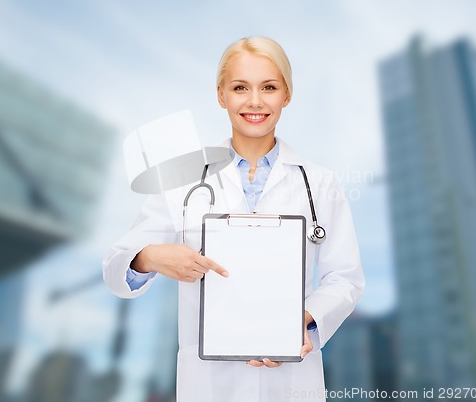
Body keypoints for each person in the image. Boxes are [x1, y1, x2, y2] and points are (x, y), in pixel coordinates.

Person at [103, 36, 365, 401]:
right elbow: (116, 267)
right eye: (240, 87)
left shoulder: (319, 183)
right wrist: (150, 257)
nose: (255, 101)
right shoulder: (183, 177)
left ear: (286, 95)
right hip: (208, 385)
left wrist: (303, 319)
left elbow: (345, 279)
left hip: (290, 383)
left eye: (269, 87)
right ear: (221, 95)